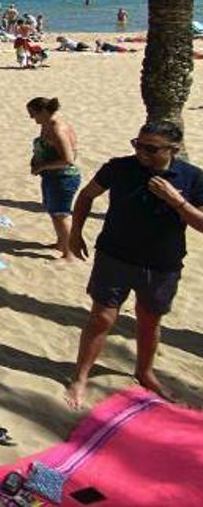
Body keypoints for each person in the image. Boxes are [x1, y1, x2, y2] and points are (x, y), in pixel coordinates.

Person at [64, 121, 203, 409]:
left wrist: (176, 201)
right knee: (101, 317)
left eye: (150, 148)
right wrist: (75, 232)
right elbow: (87, 195)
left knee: (150, 320)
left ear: (173, 149)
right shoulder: (120, 167)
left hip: (161, 264)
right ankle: (80, 376)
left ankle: (145, 372)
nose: (141, 152)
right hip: (114, 256)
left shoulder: (192, 178)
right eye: (137, 144)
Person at [28, 96, 80, 260]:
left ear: (43, 111)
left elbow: (69, 159)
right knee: (54, 212)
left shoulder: (58, 129)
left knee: (61, 215)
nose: (31, 118)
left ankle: (69, 253)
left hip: (63, 179)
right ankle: (61, 243)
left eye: (33, 114)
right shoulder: (47, 125)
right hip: (52, 177)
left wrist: (42, 166)